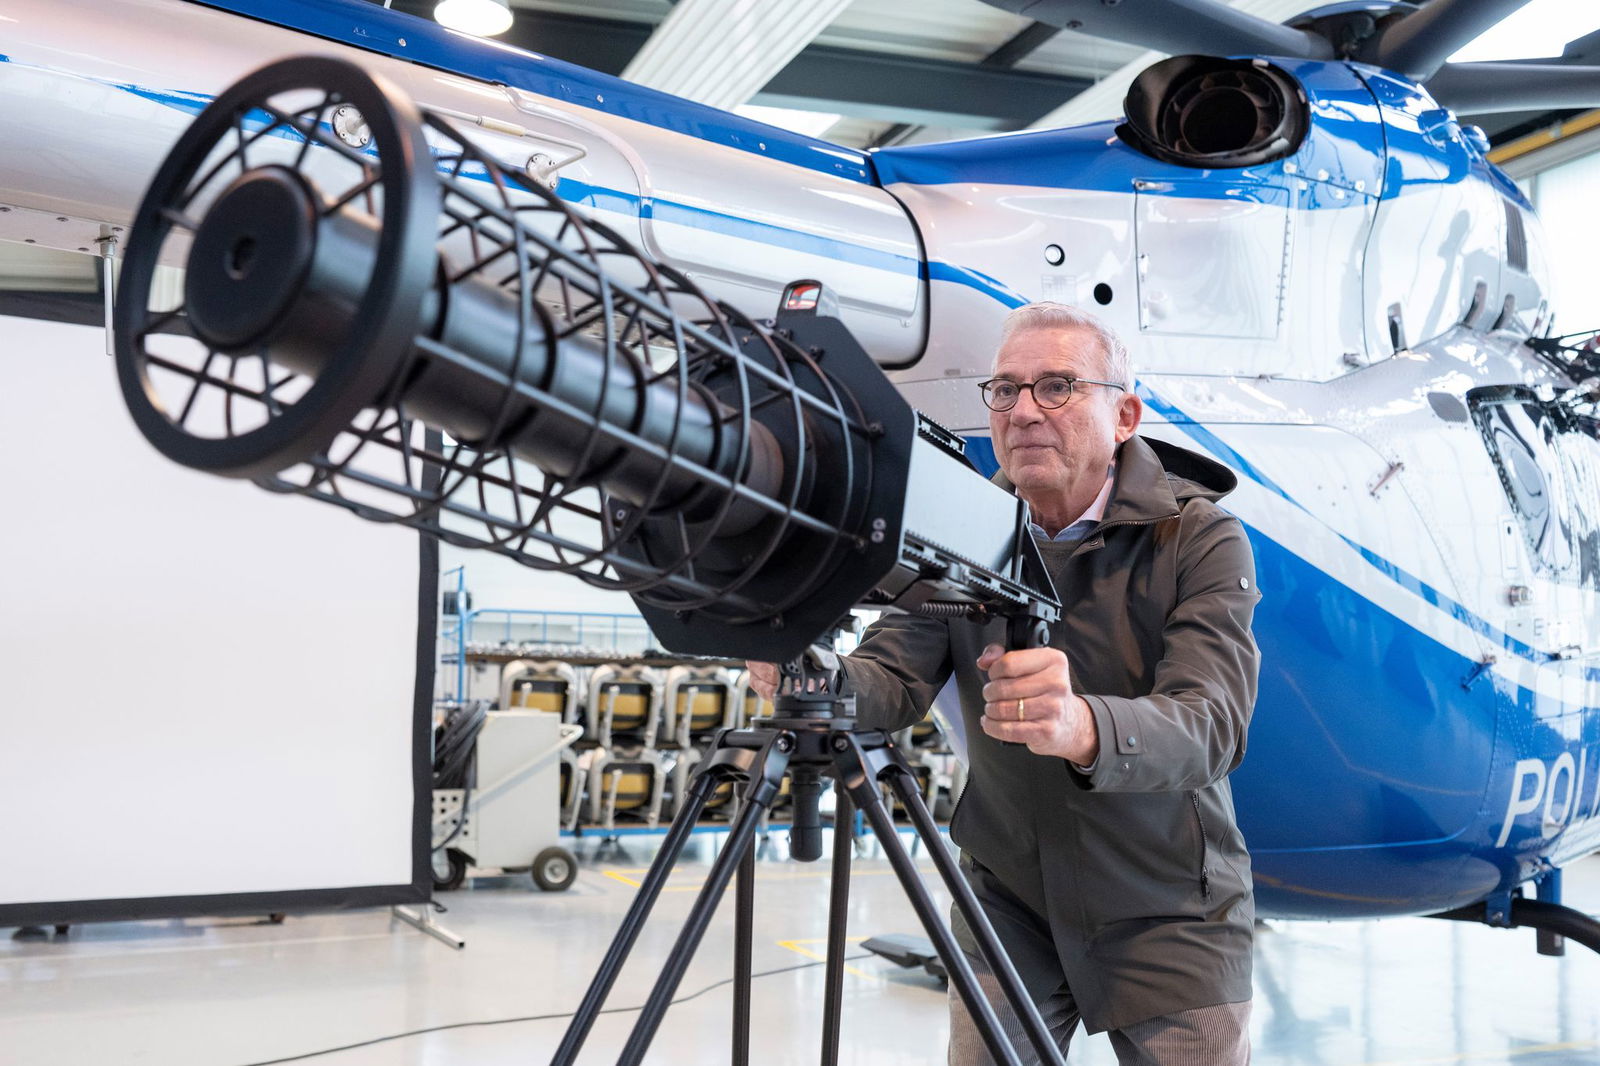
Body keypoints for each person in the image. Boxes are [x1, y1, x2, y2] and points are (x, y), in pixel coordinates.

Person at [748, 302, 1260, 1064]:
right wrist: (804, 667)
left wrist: (1082, 725)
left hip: (1170, 908)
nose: (1022, 411)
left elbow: (1212, 723)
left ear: (1123, 414)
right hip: (1011, 896)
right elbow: (891, 678)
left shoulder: (1197, 536)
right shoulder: (963, 529)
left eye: (1056, 386)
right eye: (1004, 389)